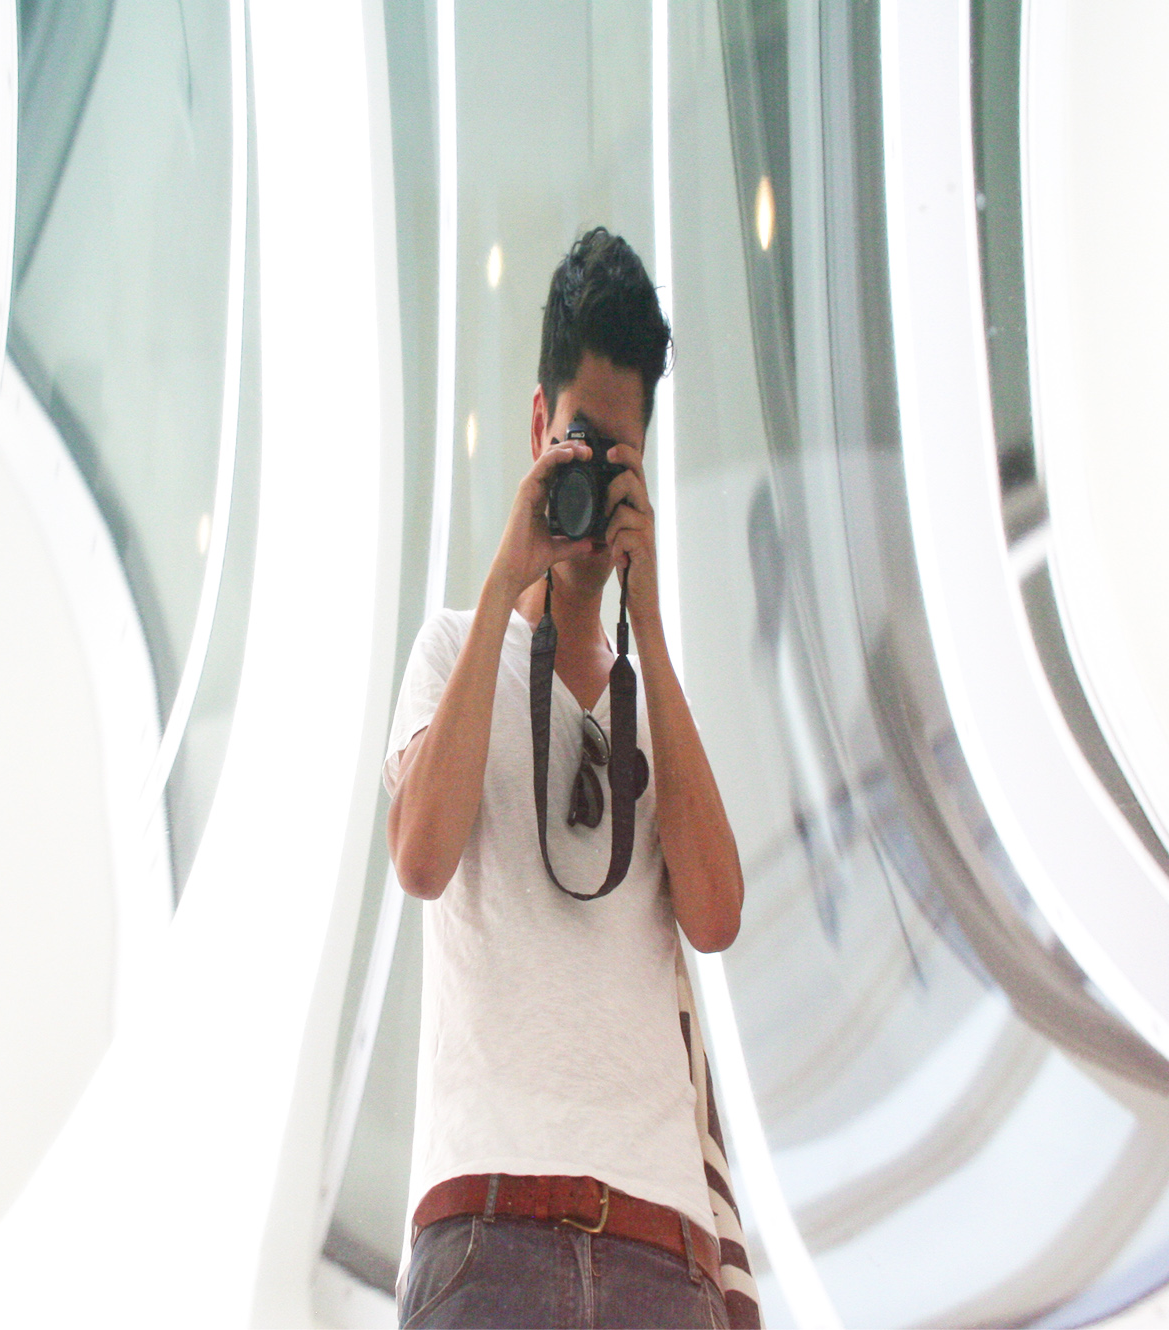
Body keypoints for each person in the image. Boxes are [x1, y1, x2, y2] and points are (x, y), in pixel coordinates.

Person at [383, 228, 747, 1329]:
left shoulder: (656, 704)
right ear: (538, 427)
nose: (594, 477)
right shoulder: (453, 649)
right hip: (485, 1230)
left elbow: (718, 914)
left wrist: (648, 623)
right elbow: (419, 856)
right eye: (580, 444)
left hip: (657, 1246)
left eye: (620, 456)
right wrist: (507, 580)